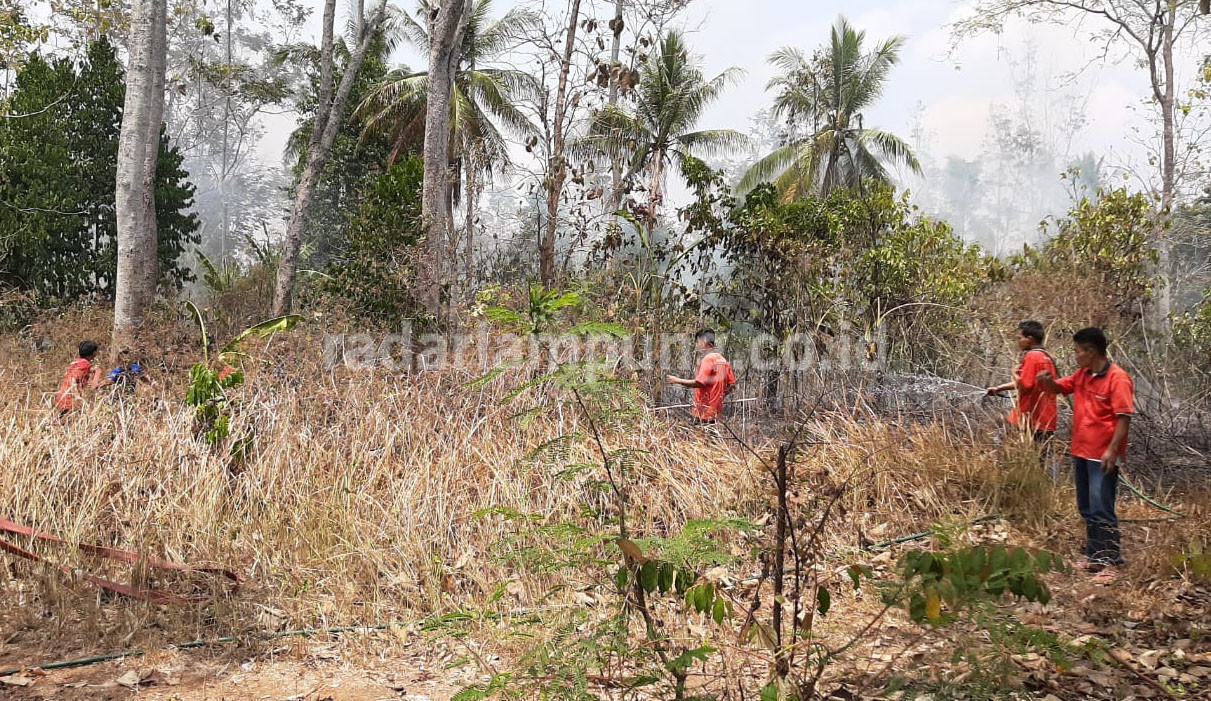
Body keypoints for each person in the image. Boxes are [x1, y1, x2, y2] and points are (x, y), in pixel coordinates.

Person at [1036, 327, 1134, 581]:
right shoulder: (1082, 375)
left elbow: (1124, 418)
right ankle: (1094, 555)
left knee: (1102, 506)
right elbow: (1058, 388)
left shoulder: (1118, 378)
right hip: (1081, 450)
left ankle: (1111, 560)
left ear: (1091, 352)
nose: (1076, 356)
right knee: (1087, 506)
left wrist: (1113, 450)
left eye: (1078, 351)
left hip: (1102, 455)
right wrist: (1046, 381)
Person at [987, 321, 1059, 442]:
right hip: (1047, 419)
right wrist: (999, 388)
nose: (1018, 341)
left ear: (1029, 339)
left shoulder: (1032, 356)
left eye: (1020, 338)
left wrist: (1014, 373)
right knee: (1044, 457)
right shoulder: (1048, 357)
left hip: (1028, 418)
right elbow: (1029, 382)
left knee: (1001, 443)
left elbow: (1025, 385)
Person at [666, 329, 736, 423]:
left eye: (698, 342)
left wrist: (677, 380)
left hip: (703, 412)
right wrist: (718, 397)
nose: (697, 345)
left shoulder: (708, 359)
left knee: (701, 436)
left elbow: (699, 383)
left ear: (704, 342)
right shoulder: (722, 360)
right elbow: (731, 385)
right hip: (715, 412)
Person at [54, 340, 101, 415]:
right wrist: (77, 397)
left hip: (62, 397)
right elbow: (72, 379)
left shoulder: (77, 362)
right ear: (93, 353)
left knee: (64, 423)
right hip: (70, 399)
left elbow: (76, 373)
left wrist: (92, 370)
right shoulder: (85, 364)